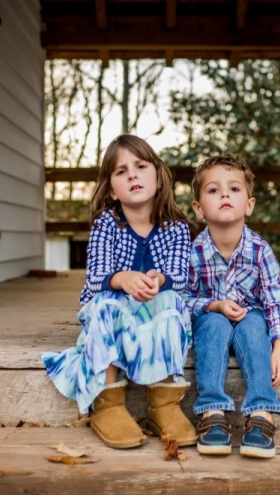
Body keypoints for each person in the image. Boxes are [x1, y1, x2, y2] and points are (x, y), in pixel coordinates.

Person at [41, 134, 198, 450]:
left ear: (158, 176)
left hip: (154, 307)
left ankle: (163, 402)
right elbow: (96, 277)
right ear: (112, 189)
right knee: (109, 303)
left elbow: (180, 276)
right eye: (121, 171)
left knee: (172, 301)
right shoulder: (106, 224)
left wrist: (159, 280)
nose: (133, 175)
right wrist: (122, 278)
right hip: (112, 310)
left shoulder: (176, 227)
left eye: (140, 166)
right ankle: (108, 400)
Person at [183, 154, 280, 459]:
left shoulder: (260, 250)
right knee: (214, 323)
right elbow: (180, 299)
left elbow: (276, 299)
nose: (224, 196)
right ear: (198, 208)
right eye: (213, 190)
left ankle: (261, 413)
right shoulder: (192, 253)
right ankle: (212, 412)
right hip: (211, 318)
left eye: (234, 189)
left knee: (254, 324)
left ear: (249, 204)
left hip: (251, 315)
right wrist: (213, 305)